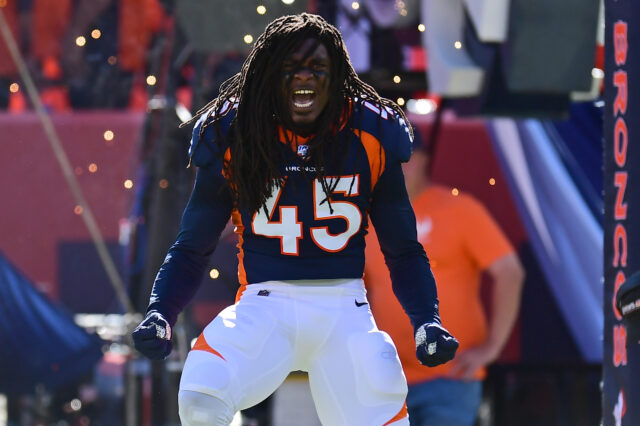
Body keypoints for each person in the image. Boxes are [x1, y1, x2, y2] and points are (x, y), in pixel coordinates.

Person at [131, 13, 458, 426]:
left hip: (345, 311)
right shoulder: (235, 131)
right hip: (264, 306)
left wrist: (427, 319)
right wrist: (161, 310)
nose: (304, 79)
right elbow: (193, 246)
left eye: (318, 68)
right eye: (290, 68)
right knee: (201, 396)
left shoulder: (371, 132)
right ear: (268, 75)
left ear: (337, 75)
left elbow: (403, 250)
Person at [365, 131, 525, 426]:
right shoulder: (365, 217)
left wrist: (493, 347)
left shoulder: (460, 209)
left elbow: (510, 272)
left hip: (450, 374)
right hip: (385, 376)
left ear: (424, 160)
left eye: (405, 160)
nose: (396, 169)